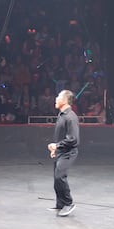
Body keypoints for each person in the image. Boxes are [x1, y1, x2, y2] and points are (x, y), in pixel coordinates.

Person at [46, 89, 80, 217]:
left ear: (65, 100)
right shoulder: (62, 115)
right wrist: (56, 149)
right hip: (61, 151)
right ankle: (60, 204)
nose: (55, 98)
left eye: (58, 96)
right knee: (56, 177)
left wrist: (57, 146)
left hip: (68, 152)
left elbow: (73, 139)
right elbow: (61, 135)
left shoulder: (71, 117)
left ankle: (68, 203)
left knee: (60, 176)